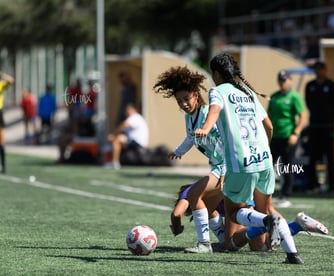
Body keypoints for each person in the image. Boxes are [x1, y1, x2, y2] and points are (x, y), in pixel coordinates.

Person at [195, 53, 303, 264]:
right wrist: (265, 149)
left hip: (240, 162)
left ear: (216, 73)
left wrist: (205, 127)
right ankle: (292, 254)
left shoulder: (218, 91)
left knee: (234, 211)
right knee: (268, 207)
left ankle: (265, 221)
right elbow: (269, 126)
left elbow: (214, 110)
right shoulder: (249, 93)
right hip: (264, 160)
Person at [153, 66, 225, 253]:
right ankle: (225, 239)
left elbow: (228, 142)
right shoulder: (190, 118)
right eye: (179, 101)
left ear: (195, 94)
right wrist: (179, 151)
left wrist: (226, 169)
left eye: (186, 99)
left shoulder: (208, 113)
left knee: (194, 196)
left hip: (227, 167)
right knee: (210, 211)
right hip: (218, 167)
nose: (183, 103)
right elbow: (191, 137)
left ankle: (205, 245)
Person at [171, 183, 328, 252]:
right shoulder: (206, 204)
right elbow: (219, 229)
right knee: (259, 246)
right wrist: (220, 243)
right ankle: (297, 225)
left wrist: (176, 226)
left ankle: (265, 224)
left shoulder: (190, 194)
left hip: (240, 200)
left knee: (234, 245)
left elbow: (176, 213)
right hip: (245, 191)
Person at [267, 70, 306, 208]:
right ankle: (266, 193)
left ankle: (285, 195)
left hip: (288, 137)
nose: (282, 83)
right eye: (280, 80)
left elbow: (302, 116)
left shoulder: (295, 97)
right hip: (275, 137)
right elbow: (269, 116)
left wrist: (295, 133)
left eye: (284, 80)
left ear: (290, 80)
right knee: (267, 165)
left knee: (287, 166)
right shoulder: (274, 97)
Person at [305, 61, 334, 192]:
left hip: (328, 127)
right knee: (313, 156)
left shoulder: (332, 86)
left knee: (329, 156)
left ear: (325, 70)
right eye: (316, 69)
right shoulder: (310, 86)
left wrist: (329, 117)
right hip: (314, 126)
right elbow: (309, 103)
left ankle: (331, 185)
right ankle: (312, 185)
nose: (319, 72)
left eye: (321, 69)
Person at [107, 104, 148, 170]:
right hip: (133, 141)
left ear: (134, 110)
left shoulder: (135, 117)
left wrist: (113, 135)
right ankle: (113, 160)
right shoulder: (133, 118)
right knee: (117, 139)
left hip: (138, 143)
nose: (127, 112)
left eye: (129, 110)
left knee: (117, 140)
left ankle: (115, 163)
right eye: (126, 110)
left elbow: (124, 125)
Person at [0, 70, 15, 173]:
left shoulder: (0, 85)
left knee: (1, 143)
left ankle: (4, 166)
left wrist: (2, 74)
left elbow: (11, 81)